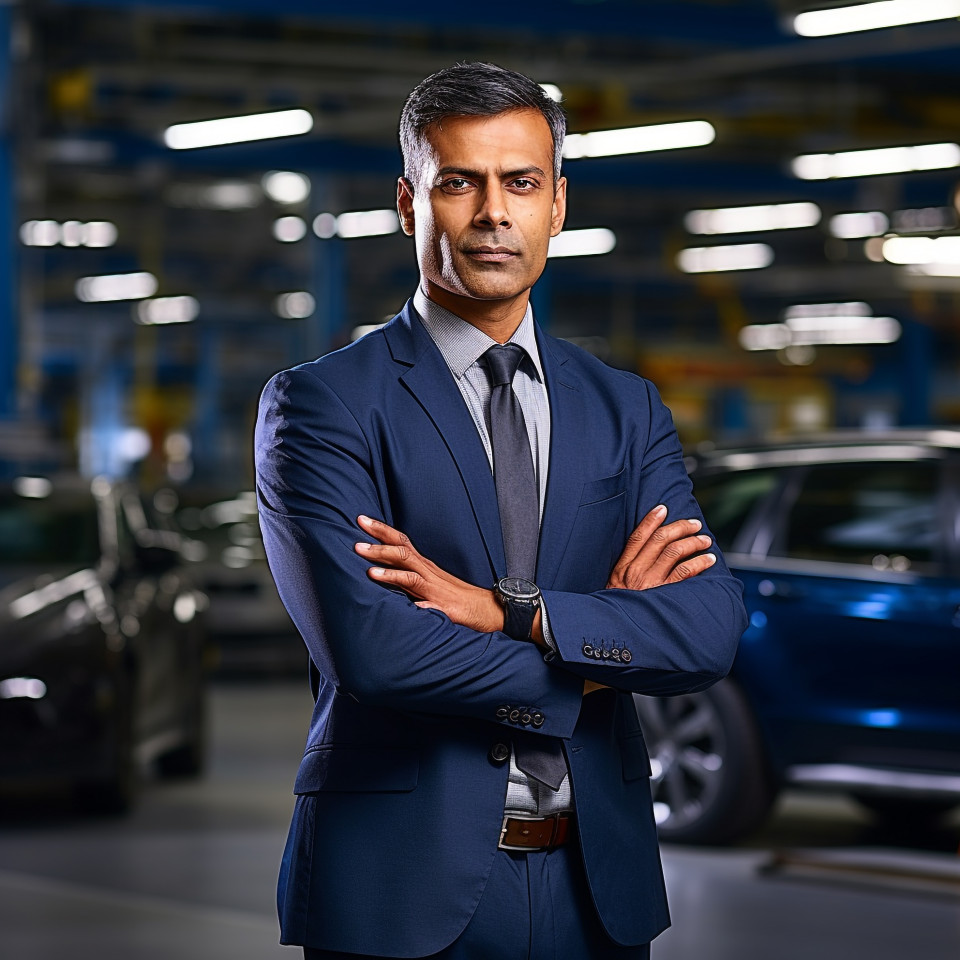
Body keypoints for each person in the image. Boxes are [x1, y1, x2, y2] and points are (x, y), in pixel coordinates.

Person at [255, 61, 746, 960]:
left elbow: (709, 628)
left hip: (599, 891)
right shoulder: (323, 406)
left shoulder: (624, 408)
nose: (493, 212)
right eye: (459, 182)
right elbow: (377, 650)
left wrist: (507, 613)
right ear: (409, 204)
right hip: (398, 890)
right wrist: (603, 659)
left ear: (557, 204)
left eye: (520, 182)